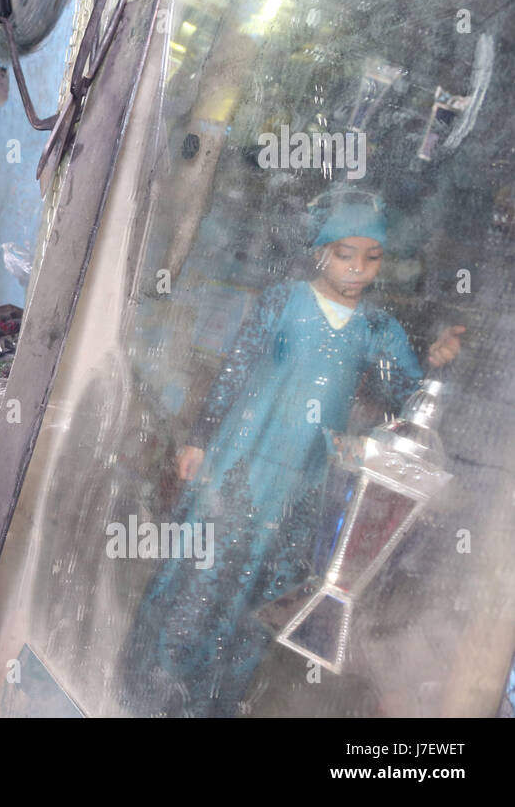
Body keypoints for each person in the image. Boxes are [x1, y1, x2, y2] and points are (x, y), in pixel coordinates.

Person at [122, 191, 463, 716]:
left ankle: (211, 702)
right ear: (323, 250)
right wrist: (199, 438)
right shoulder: (283, 300)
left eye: (372, 258)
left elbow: (407, 403)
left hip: (301, 482)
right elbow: (236, 369)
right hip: (241, 461)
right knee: (200, 572)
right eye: (347, 254)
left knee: (259, 595)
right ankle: (150, 689)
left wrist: (438, 365)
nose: (359, 269)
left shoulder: (378, 330)